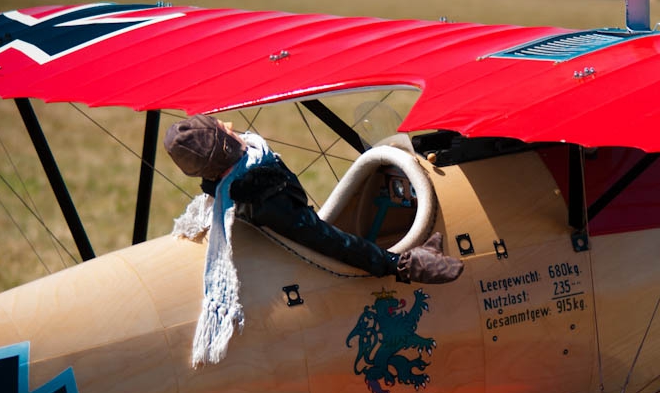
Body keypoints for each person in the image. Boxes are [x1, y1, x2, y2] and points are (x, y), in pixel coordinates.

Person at [164, 114, 462, 285]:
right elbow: (325, 239)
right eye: (222, 129)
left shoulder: (234, 185)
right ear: (227, 146)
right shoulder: (265, 197)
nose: (230, 124)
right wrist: (397, 263)